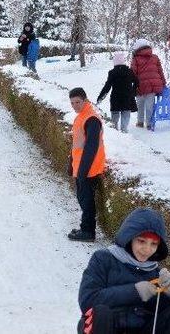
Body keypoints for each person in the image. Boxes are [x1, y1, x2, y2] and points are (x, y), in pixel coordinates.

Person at [77, 208, 170, 334]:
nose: (147, 250)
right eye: (141, 241)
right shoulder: (103, 259)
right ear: (129, 238)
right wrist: (135, 292)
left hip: (143, 329)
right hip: (108, 326)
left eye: (154, 244)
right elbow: (88, 301)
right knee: (100, 314)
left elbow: (163, 313)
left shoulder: (156, 273)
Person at [67, 87, 105, 242]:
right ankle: (85, 227)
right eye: (72, 103)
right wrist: (71, 164)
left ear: (85, 100)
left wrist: (82, 171)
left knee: (87, 200)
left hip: (89, 168)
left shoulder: (91, 119)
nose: (75, 105)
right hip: (81, 167)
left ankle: (88, 232)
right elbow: (77, 144)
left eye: (78, 102)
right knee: (82, 198)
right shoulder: (81, 116)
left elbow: (91, 148)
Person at [96, 53, 138, 133]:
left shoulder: (112, 73)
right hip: (127, 98)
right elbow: (136, 82)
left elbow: (107, 86)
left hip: (116, 98)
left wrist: (100, 97)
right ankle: (124, 130)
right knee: (126, 114)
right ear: (123, 62)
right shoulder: (129, 72)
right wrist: (133, 92)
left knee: (115, 115)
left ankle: (115, 131)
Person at [130, 39, 166, 130]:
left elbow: (132, 73)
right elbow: (160, 71)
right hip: (152, 86)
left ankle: (140, 122)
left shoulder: (135, 59)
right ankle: (149, 123)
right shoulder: (155, 57)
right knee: (150, 106)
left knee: (140, 105)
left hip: (140, 86)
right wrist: (163, 83)